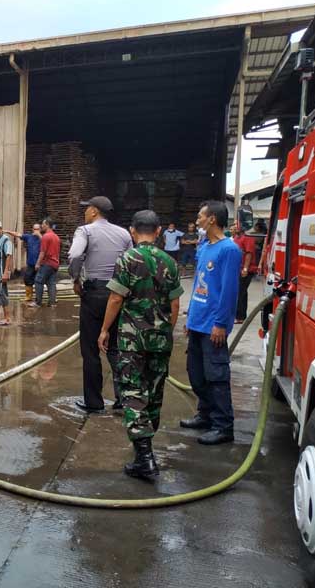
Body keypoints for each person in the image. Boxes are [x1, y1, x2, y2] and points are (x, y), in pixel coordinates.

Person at [99, 210, 183, 480]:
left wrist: (104, 330)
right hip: (160, 339)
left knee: (133, 392)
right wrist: (165, 331)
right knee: (154, 391)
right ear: (158, 231)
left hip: (132, 339)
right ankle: (145, 447)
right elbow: (175, 304)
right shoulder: (170, 261)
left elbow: (115, 299)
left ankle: (144, 457)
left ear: (133, 231)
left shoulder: (127, 259)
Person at [181, 201, 242, 445]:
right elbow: (198, 284)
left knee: (216, 376)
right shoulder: (205, 246)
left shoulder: (229, 250)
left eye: (200, 216)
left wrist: (220, 323)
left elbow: (228, 291)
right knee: (196, 374)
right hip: (197, 321)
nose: (198, 221)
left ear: (212, 219)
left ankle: (223, 425)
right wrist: (190, 316)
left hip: (213, 325)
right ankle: (204, 415)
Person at [68, 196, 133, 413]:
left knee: (90, 351)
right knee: (115, 348)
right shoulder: (124, 233)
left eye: (87, 209)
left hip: (94, 293)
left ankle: (94, 402)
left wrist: (75, 279)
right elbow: (131, 261)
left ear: (94, 211)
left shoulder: (85, 231)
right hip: (118, 293)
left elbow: (75, 254)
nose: (85, 213)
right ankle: (123, 399)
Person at [4, 223, 41, 301]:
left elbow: (45, 242)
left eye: (37, 229)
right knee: (27, 279)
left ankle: (39, 298)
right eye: (34, 229)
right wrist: (7, 231)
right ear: (32, 230)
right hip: (30, 263)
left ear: (40, 230)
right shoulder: (29, 237)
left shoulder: (43, 238)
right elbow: (18, 234)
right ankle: (29, 296)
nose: (36, 231)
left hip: (40, 264)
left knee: (39, 281)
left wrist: (39, 235)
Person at [29, 217, 60, 308]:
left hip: (47, 263)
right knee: (51, 283)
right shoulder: (56, 237)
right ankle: (52, 303)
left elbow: (42, 252)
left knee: (38, 281)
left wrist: (38, 263)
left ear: (47, 225)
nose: (41, 226)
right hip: (55, 264)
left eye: (43, 224)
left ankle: (38, 302)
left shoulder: (46, 237)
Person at [232, 225, 258, 323]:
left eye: (237, 226)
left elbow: (249, 253)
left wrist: (245, 268)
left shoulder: (248, 238)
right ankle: (240, 315)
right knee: (241, 292)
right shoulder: (236, 238)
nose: (235, 227)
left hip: (246, 269)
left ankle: (240, 317)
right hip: (237, 269)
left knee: (240, 292)